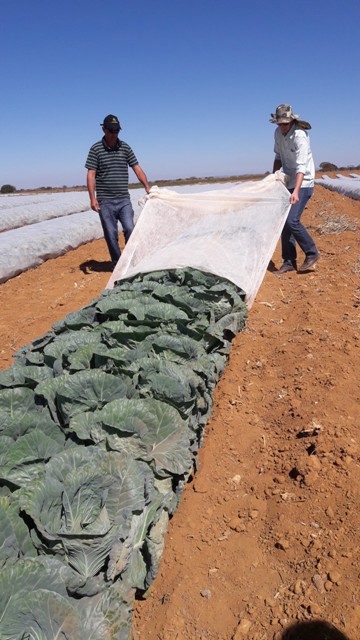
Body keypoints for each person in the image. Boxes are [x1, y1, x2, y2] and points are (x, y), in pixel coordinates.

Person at [85, 114, 150, 267]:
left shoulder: (125, 147)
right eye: (111, 131)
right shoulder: (96, 149)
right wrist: (92, 198)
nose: (114, 135)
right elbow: (91, 174)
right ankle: (117, 263)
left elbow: (137, 168)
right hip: (105, 200)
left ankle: (131, 259)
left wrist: (147, 186)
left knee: (129, 228)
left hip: (123, 199)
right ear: (103, 129)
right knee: (110, 234)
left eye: (117, 131)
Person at [270, 104, 319, 275]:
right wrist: (275, 177)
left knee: (292, 220)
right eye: (279, 124)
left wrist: (296, 191)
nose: (282, 127)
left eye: (285, 124)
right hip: (288, 181)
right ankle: (289, 262)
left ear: (292, 121)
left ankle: (312, 253)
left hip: (303, 182)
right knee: (285, 223)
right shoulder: (278, 134)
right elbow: (278, 157)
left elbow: (301, 167)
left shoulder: (300, 135)